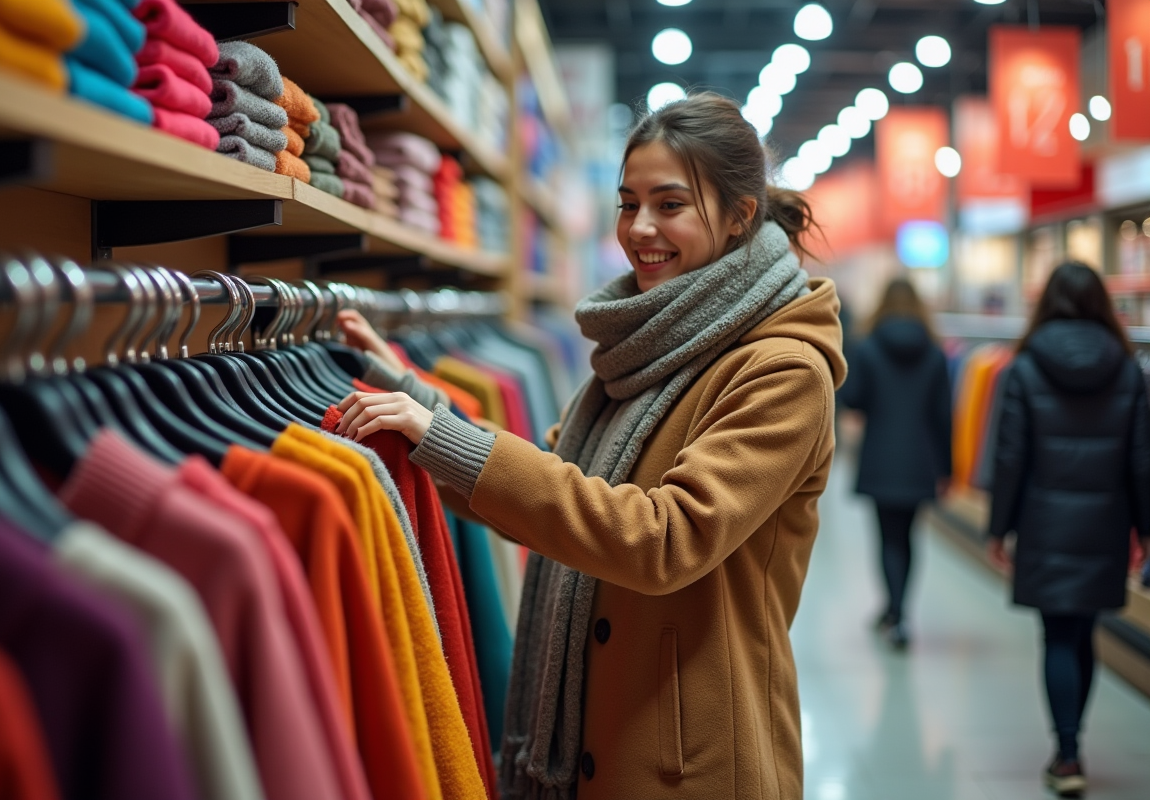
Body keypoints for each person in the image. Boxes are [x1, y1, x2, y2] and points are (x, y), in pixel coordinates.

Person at [331, 92, 846, 799]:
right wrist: (404, 393)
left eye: (670, 205)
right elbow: (552, 485)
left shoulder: (782, 370)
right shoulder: (648, 347)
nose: (640, 229)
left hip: (690, 761)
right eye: (627, 202)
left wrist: (440, 434)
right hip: (601, 740)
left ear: (739, 216)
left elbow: (665, 538)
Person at [987, 261, 1150, 798]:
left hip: (1044, 521)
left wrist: (998, 528)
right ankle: (1072, 746)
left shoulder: (1025, 367)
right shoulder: (1129, 370)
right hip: (1106, 522)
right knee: (1085, 633)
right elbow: (1142, 461)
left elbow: (1009, 457)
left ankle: (1067, 751)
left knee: (1056, 634)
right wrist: (1146, 530)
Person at [838, 277, 952, 649]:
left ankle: (894, 612)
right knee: (909, 537)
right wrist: (946, 469)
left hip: (881, 456)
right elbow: (942, 415)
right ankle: (900, 611)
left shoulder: (867, 348)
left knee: (887, 538)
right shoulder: (935, 353)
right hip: (921, 459)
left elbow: (853, 399)